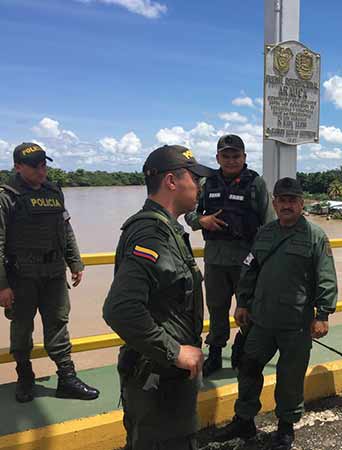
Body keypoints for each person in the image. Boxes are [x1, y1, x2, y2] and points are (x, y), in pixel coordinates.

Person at [214, 177, 337, 450]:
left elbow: (326, 277)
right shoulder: (265, 233)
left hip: (296, 324)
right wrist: (243, 303)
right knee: (247, 366)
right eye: (282, 200)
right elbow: (250, 269)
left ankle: (285, 428)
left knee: (290, 377)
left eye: (292, 200)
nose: (287, 205)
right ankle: (244, 419)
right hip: (262, 319)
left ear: (302, 204)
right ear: (275, 203)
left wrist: (323, 314)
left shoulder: (315, 236)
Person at [103, 145, 211, 450]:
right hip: (158, 381)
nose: (199, 186)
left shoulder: (167, 229)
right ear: (171, 182)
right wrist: (174, 351)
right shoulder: (152, 234)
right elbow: (120, 309)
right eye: (195, 178)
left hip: (166, 380)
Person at [0, 143, 99, 403]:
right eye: (36, 166)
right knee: (21, 328)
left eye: (45, 164)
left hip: (54, 273)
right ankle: (24, 377)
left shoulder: (54, 191)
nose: (42, 170)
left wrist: (75, 262)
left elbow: (65, 229)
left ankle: (67, 378)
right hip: (22, 276)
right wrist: (2, 285)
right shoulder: (6, 196)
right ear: (18, 166)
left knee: (58, 325)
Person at [185, 134, 275, 377]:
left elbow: (268, 222)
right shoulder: (207, 183)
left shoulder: (255, 183)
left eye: (236, 156)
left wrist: (264, 259)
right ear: (218, 158)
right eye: (226, 156)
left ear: (244, 157)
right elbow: (189, 213)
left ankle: (242, 348)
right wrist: (201, 220)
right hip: (215, 259)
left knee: (248, 308)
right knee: (216, 308)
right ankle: (215, 352)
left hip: (246, 260)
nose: (231, 160)